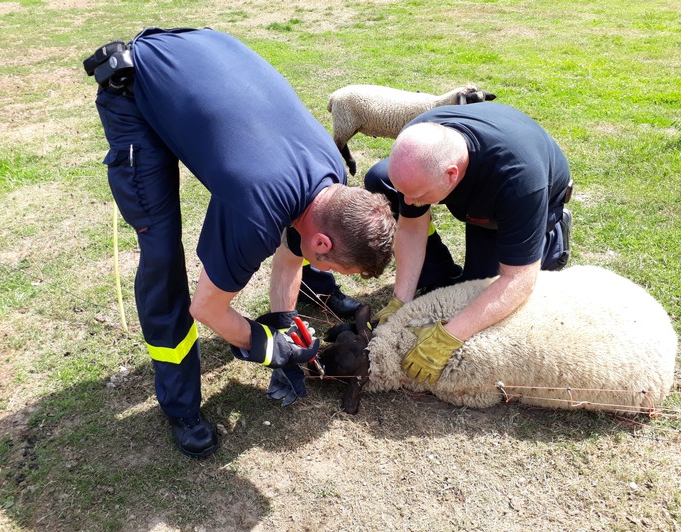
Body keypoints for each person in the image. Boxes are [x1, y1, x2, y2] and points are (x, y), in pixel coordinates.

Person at [87, 27, 395, 458]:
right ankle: (181, 408)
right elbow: (207, 308)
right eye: (333, 268)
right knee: (162, 256)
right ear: (323, 242)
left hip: (200, 51)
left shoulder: (332, 181)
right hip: (134, 89)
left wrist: (285, 322)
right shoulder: (257, 213)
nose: (324, 273)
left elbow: (292, 255)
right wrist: (270, 349)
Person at [365, 102, 572, 384]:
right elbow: (411, 226)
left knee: (481, 292)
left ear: (451, 174)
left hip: (516, 201)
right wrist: (400, 300)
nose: (409, 203)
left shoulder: (519, 181)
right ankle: (439, 274)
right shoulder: (419, 142)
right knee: (380, 177)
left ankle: (550, 239)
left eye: (417, 195)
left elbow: (519, 279)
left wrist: (448, 336)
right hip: (475, 188)